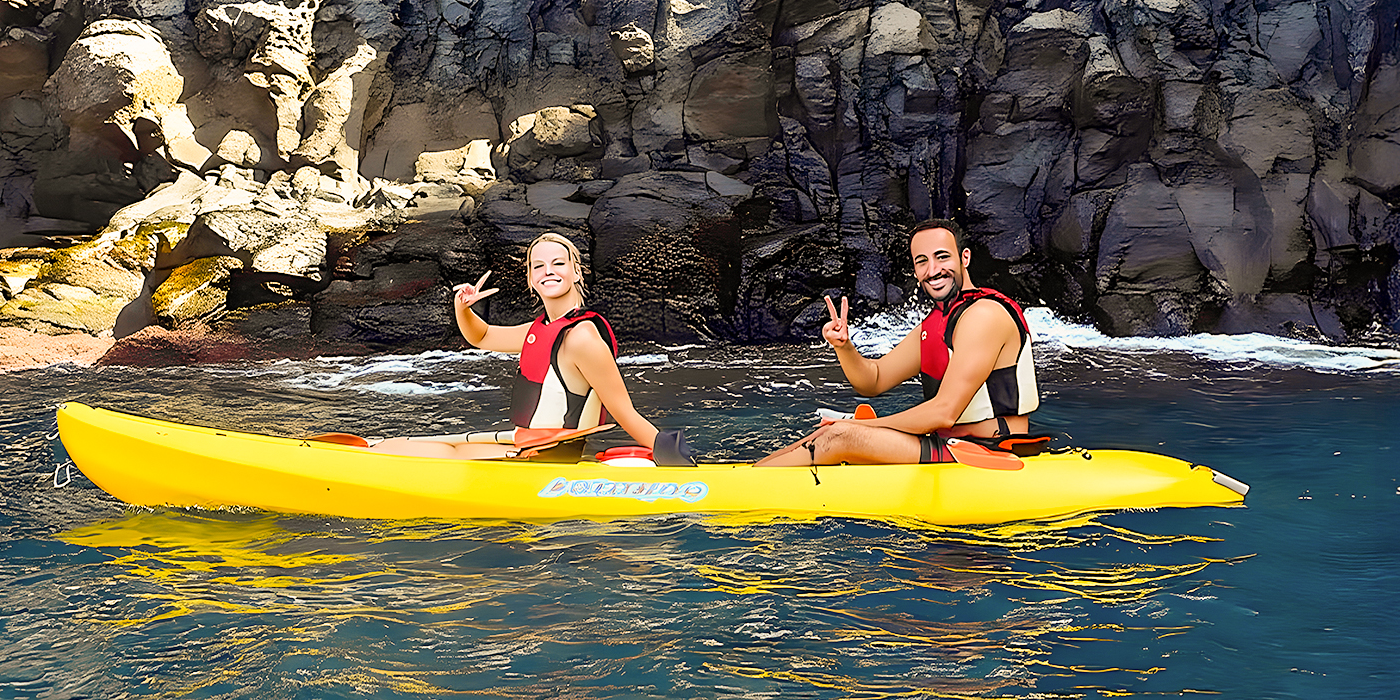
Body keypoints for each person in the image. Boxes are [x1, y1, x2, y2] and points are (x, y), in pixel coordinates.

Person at [372, 232, 694, 464]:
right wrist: (463, 306)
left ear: (576, 272)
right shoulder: (539, 331)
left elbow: (625, 412)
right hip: (524, 445)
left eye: (558, 263)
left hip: (546, 460)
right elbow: (481, 337)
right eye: (538, 266)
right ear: (530, 278)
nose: (548, 271)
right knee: (392, 444)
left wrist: (675, 460)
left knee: (436, 454)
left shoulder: (582, 338)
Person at [755, 219, 1039, 466]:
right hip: (952, 445)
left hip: (989, 450)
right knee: (829, 434)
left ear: (964, 258)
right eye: (922, 261)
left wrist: (861, 427)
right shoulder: (936, 324)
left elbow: (943, 412)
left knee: (839, 436)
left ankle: (743, 490)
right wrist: (844, 347)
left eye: (942, 257)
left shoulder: (984, 315)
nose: (933, 270)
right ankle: (750, 477)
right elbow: (873, 380)